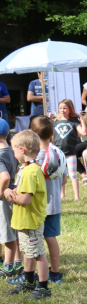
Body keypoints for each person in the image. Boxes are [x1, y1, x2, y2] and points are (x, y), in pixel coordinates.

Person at [4, 130, 50, 299]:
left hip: (31, 221)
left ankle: (43, 287)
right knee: (27, 252)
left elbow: (25, 200)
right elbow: (22, 190)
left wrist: (9, 195)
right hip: (24, 221)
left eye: (14, 150)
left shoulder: (31, 172)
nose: (14, 154)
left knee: (37, 254)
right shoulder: (26, 169)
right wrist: (14, 190)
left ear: (22, 150)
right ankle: (29, 281)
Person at [29, 116, 67, 285]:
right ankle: (55, 272)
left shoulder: (32, 156)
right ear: (52, 134)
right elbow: (64, 179)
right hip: (54, 204)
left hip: (36, 206)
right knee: (51, 238)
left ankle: (30, 273)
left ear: (31, 134)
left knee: (33, 240)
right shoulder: (58, 153)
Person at [51, 99, 87, 202]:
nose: (62, 110)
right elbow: (48, 133)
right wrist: (48, 119)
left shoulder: (73, 121)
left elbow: (84, 132)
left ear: (70, 109)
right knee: (60, 174)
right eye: (60, 108)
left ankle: (77, 196)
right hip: (58, 152)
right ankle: (61, 195)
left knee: (73, 175)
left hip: (70, 152)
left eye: (65, 108)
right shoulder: (55, 121)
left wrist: (82, 120)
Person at [0, 119, 21, 280]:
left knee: (7, 232)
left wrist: (1, 192)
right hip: (14, 193)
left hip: (4, 197)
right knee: (13, 230)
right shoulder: (12, 150)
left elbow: (5, 177)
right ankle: (18, 262)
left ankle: (8, 266)